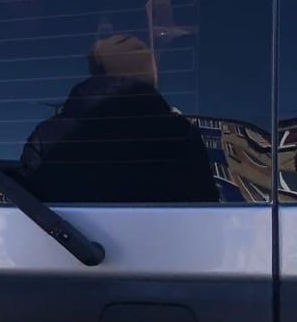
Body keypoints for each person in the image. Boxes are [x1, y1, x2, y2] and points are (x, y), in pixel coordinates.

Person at [20, 34, 218, 204]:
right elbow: (208, 206)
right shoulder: (181, 135)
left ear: (96, 72)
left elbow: (28, 208)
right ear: (149, 75)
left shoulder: (45, 137)